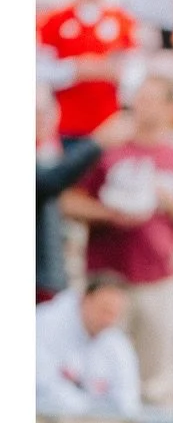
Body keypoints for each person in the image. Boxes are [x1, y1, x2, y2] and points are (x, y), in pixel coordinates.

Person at [62, 74, 173, 407]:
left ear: (169, 107)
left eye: (152, 99)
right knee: (95, 374)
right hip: (106, 277)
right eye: (140, 97)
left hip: (157, 279)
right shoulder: (110, 148)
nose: (142, 106)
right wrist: (109, 213)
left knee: (154, 380)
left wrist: (170, 203)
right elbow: (67, 200)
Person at [36, 0, 139, 142]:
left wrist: (113, 72)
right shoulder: (55, 21)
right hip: (68, 123)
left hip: (109, 125)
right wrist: (76, 69)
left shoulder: (122, 21)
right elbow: (40, 69)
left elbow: (134, 69)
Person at [36, 273, 141, 421]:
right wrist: (89, 408)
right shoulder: (45, 323)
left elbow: (127, 399)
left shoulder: (116, 341)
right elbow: (43, 384)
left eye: (114, 313)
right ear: (85, 300)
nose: (108, 319)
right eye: (104, 310)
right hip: (45, 418)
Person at [37, 86, 102, 302]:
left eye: (45, 112)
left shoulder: (51, 150)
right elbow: (49, 181)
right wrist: (98, 142)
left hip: (51, 272)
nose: (42, 120)